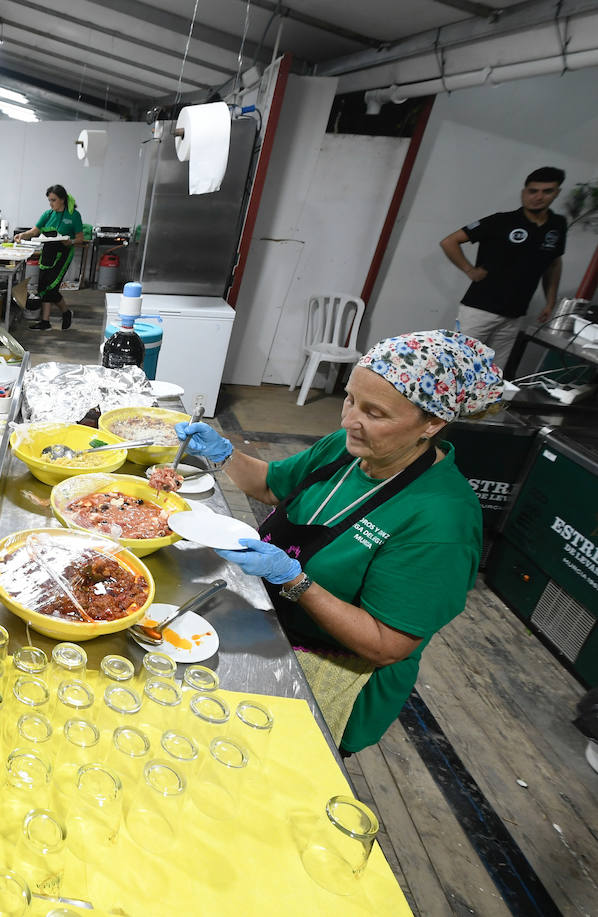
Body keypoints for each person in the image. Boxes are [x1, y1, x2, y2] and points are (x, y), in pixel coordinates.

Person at [176, 330, 503, 754]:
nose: (348, 420)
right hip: (268, 626)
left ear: (433, 423)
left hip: (328, 671)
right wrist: (222, 454)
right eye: (350, 399)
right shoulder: (348, 448)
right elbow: (274, 486)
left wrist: (295, 580)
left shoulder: (441, 521)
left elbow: (387, 645)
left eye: (375, 412)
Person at [439, 166, 567, 368]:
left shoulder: (558, 225)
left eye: (547, 191)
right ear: (524, 192)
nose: (539, 197)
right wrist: (469, 270)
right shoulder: (501, 221)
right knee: (458, 366)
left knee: (494, 372)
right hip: (480, 309)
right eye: (533, 191)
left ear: (556, 193)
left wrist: (550, 302)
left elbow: (553, 263)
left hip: (515, 315)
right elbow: (449, 241)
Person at [15, 184, 84, 331]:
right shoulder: (48, 214)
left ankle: (66, 312)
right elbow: (35, 231)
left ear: (62, 199)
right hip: (47, 253)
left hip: (63, 254)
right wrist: (22, 235)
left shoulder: (74, 216)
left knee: (51, 288)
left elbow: (80, 238)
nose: (51, 203)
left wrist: (70, 241)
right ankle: (45, 322)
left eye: (54, 200)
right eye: (49, 200)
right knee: (43, 287)